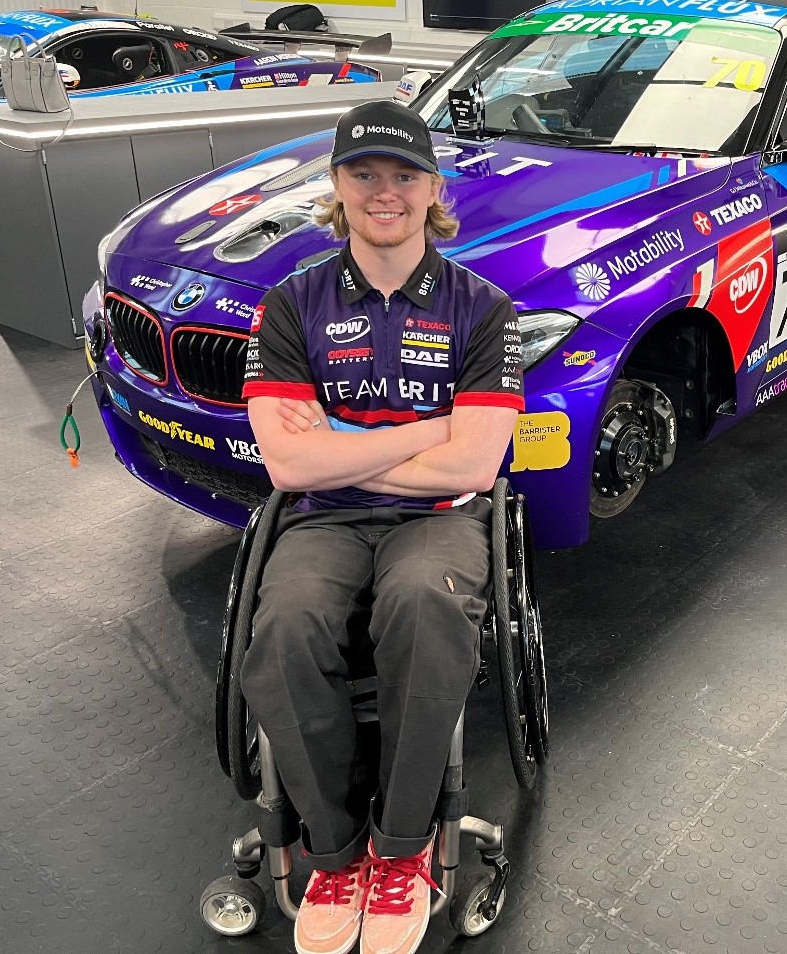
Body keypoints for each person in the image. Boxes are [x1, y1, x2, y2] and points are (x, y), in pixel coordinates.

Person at [239, 99, 523, 954]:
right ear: (336, 184)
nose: (384, 192)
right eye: (364, 173)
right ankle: (333, 852)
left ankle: (401, 851)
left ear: (432, 188)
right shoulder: (291, 306)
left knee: (425, 608)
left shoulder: (483, 309)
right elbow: (288, 468)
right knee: (283, 628)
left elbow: (474, 468)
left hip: (437, 519)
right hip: (322, 519)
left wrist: (340, 442)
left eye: (403, 175)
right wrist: (424, 430)